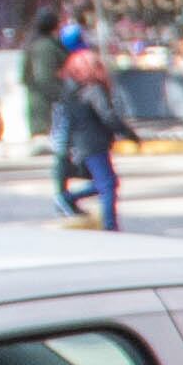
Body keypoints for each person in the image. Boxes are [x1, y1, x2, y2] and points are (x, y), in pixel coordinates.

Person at [48, 45, 136, 231]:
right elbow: (107, 115)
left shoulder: (70, 92)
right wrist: (128, 133)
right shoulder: (93, 90)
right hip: (93, 143)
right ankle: (109, 225)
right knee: (107, 185)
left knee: (106, 183)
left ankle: (69, 199)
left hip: (82, 144)